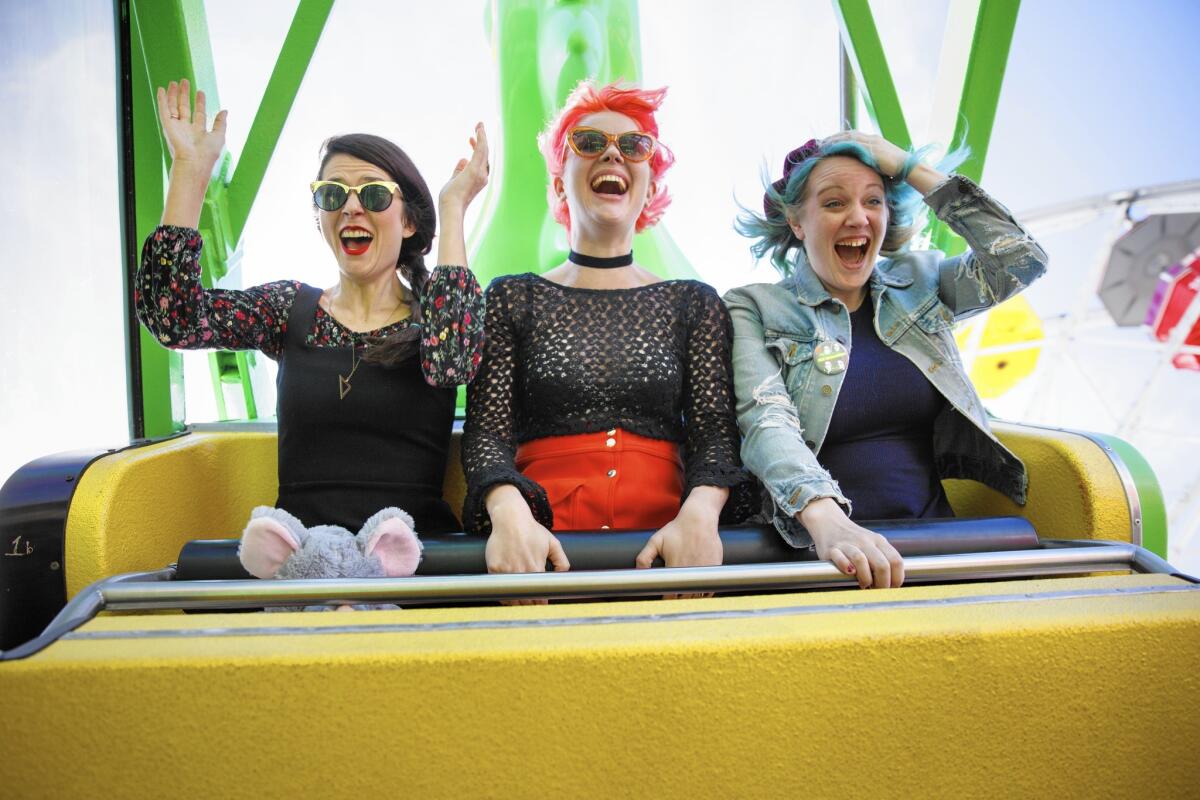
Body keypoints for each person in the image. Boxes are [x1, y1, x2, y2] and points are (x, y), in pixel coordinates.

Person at [136, 79, 488, 533]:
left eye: (374, 194)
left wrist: (453, 205)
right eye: (332, 194)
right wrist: (189, 171)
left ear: (408, 221)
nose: (351, 208)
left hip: (410, 573)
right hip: (302, 573)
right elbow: (175, 320)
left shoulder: (434, 322)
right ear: (320, 217)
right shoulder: (289, 309)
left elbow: (454, 360)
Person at [725, 132, 1047, 590]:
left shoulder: (921, 282)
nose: (858, 217)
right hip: (816, 552)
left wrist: (907, 165)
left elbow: (1021, 260)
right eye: (835, 203)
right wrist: (828, 521)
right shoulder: (754, 307)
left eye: (873, 201)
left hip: (936, 547)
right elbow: (764, 419)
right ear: (797, 222)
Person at [461, 81, 751, 587]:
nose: (613, 154)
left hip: (668, 545)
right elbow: (487, 435)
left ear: (649, 183)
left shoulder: (693, 303)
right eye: (590, 143)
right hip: (539, 544)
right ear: (558, 184)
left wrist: (701, 515)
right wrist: (509, 517)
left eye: (634, 146)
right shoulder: (513, 298)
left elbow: (715, 434)